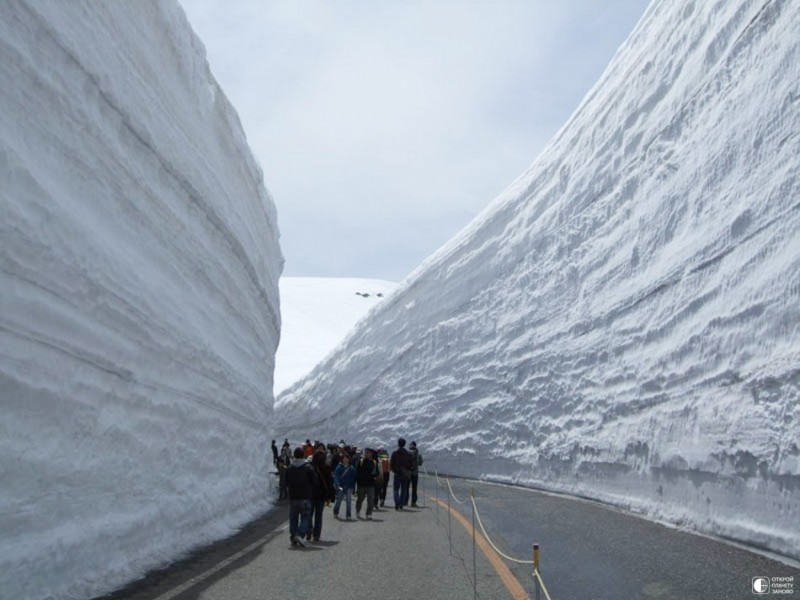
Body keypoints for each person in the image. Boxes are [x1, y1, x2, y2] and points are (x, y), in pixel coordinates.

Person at [285, 447, 316, 547]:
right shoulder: (308, 467)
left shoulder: (290, 467)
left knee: (293, 518)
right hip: (305, 496)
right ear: (303, 455)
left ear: (294, 455)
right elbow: (314, 481)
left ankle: (293, 536)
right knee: (306, 517)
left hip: (293, 497)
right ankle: (300, 534)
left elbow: (286, 482)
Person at [309, 449, 331, 541]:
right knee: (318, 516)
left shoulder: (310, 467)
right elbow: (329, 483)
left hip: (310, 495)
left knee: (309, 515)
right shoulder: (326, 468)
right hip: (321, 495)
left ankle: (309, 530)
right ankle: (316, 535)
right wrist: (329, 496)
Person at [390, 438, 414, 510]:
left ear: (398, 444)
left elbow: (391, 464)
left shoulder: (394, 453)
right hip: (405, 474)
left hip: (397, 473)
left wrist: (395, 470)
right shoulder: (408, 454)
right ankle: (401, 504)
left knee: (396, 489)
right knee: (404, 489)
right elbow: (411, 465)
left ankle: (397, 503)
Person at [355, 448, 378, 519]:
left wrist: (375, 475)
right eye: (365, 452)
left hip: (371, 484)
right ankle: (358, 511)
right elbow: (357, 472)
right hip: (362, 484)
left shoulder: (374, 462)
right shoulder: (361, 462)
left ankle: (369, 513)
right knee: (360, 499)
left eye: (368, 452)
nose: (366, 454)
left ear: (371, 454)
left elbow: (377, 472)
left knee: (370, 500)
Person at [333, 453, 356, 520]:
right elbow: (336, 477)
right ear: (342, 459)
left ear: (349, 459)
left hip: (349, 487)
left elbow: (354, 477)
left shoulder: (351, 468)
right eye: (344, 458)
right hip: (341, 486)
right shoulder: (339, 467)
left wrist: (352, 486)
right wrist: (338, 484)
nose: (345, 460)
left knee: (349, 501)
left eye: (347, 458)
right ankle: (336, 512)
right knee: (339, 500)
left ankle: (348, 515)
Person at [409, 441, 424, 507]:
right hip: (415, 473)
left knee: (406, 487)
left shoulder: (407, 453)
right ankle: (413, 502)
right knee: (414, 488)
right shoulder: (418, 454)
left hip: (408, 473)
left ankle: (405, 501)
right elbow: (420, 463)